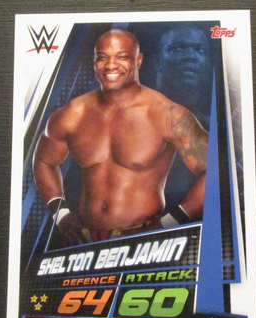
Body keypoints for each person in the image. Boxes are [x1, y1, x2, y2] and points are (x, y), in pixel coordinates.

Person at [33, 29, 208, 248]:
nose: (110, 65)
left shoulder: (167, 115)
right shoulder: (72, 114)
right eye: (102, 57)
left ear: (139, 60)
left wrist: (172, 222)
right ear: (94, 61)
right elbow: (44, 161)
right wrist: (61, 214)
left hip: (144, 241)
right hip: (83, 241)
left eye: (122, 57)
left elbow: (215, 170)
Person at [155, 25, 213, 129]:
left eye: (200, 50)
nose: (190, 56)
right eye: (177, 48)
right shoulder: (136, 123)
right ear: (158, 62)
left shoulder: (218, 129)